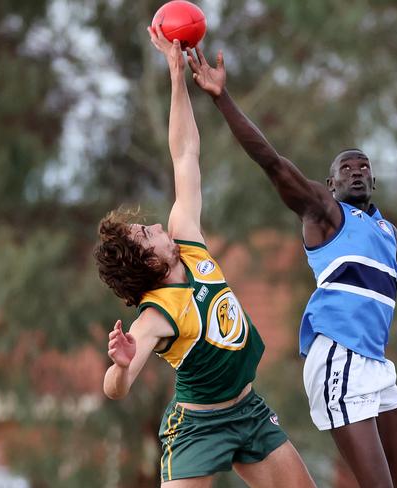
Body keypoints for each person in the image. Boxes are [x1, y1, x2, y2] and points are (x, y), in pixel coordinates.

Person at [186, 47, 397, 488]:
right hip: (338, 356)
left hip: (373, 362)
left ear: (373, 182)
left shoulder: (385, 232)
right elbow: (272, 162)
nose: (356, 171)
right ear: (331, 181)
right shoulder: (326, 212)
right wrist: (222, 98)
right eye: (346, 167)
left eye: (364, 167)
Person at [93, 26, 316, 488]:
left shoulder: (187, 239)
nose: (155, 226)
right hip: (197, 428)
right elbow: (114, 391)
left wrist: (177, 77)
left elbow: (185, 154)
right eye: (145, 235)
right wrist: (119, 364)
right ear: (147, 264)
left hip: (249, 411)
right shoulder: (155, 317)